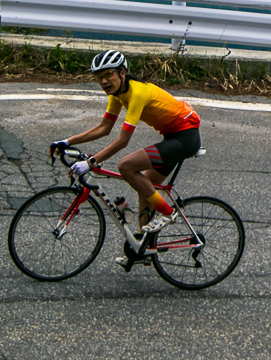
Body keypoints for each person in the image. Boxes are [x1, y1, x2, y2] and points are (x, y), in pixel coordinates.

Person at [49, 49, 201, 237]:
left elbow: (123, 141)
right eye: (99, 77)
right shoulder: (117, 94)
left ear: (122, 73)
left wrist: (91, 162)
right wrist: (65, 141)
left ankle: (168, 213)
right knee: (145, 187)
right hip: (172, 137)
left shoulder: (137, 92)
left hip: (185, 138)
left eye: (108, 75)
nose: (103, 81)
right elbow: (104, 128)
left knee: (126, 166)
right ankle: (143, 246)